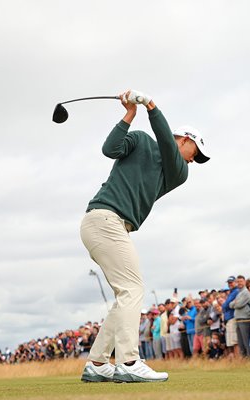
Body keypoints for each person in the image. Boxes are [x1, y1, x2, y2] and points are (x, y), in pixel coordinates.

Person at [79, 89, 209, 382]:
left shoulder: (177, 172)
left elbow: (165, 141)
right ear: (185, 141)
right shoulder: (139, 139)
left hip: (108, 224)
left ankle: (98, 363)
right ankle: (127, 361)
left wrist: (152, 107)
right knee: (132, 290)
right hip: (104, 219)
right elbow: (109, 149)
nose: (192, 162)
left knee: (126, 294)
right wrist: (132, 113)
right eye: (195, 154)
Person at [229, 275, 250, 358]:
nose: (239, 283)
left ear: (244, 281)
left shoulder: (246, 292)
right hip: (238, 319)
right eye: (238, 282)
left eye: (241, 281)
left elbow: (238, 304)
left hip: (245, 318)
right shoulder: (239, 293)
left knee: (246, 341)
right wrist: (235, 303)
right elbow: (230, 304)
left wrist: (235, 303)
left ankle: (249, 358)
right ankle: (244, 359)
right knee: (240, 342)